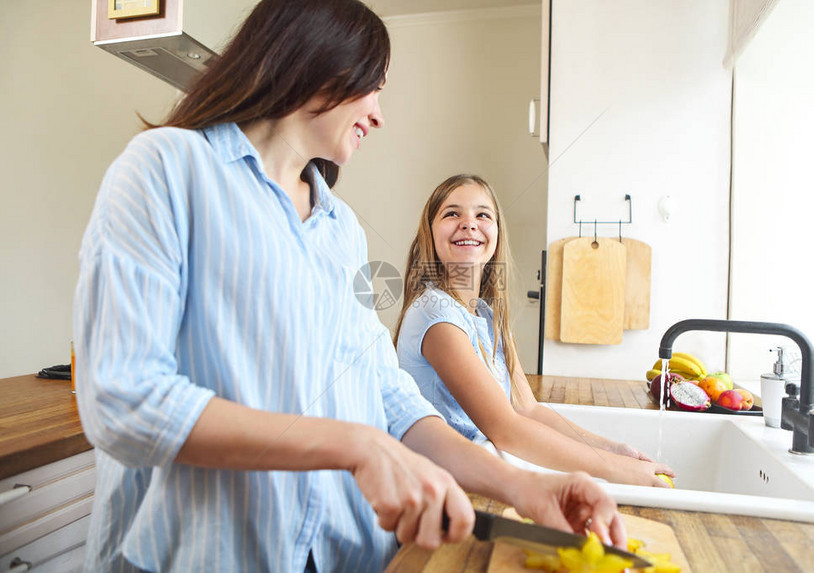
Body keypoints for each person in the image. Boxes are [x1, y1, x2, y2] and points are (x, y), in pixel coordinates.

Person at [73, 2, 628, 571]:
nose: (378, 115)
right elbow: (123, 399)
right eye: (373, 88)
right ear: (317, 60)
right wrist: (354, 445)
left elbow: (390, 399)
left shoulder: (341, 229)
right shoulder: (167, 169)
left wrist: (524, 489)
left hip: (346, 553)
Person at [395, 174, 676, 488]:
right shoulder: (436, 313)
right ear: (429, 232)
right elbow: (506, 429)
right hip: (440, 487)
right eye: (452, 213)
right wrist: (615, 470)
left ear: (497, 233)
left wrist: (615, 451)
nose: (469, 223)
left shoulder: (487, 315)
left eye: (482, 215)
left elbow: (527, 409)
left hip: (477, 474)